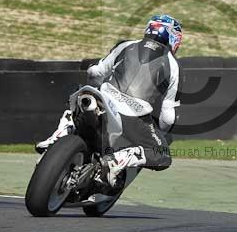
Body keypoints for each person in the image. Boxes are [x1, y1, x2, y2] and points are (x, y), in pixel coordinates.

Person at [36, 14, 182, 188]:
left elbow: (95, 73)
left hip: (105, 98)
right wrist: (161, 133)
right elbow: (168, 116)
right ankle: (118, 159)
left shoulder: (125, 45)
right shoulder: (173, 65)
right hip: (134, 116)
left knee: (78, 98)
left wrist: (99, 89)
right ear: (173, 37)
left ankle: (57, 136)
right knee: (162, 155)